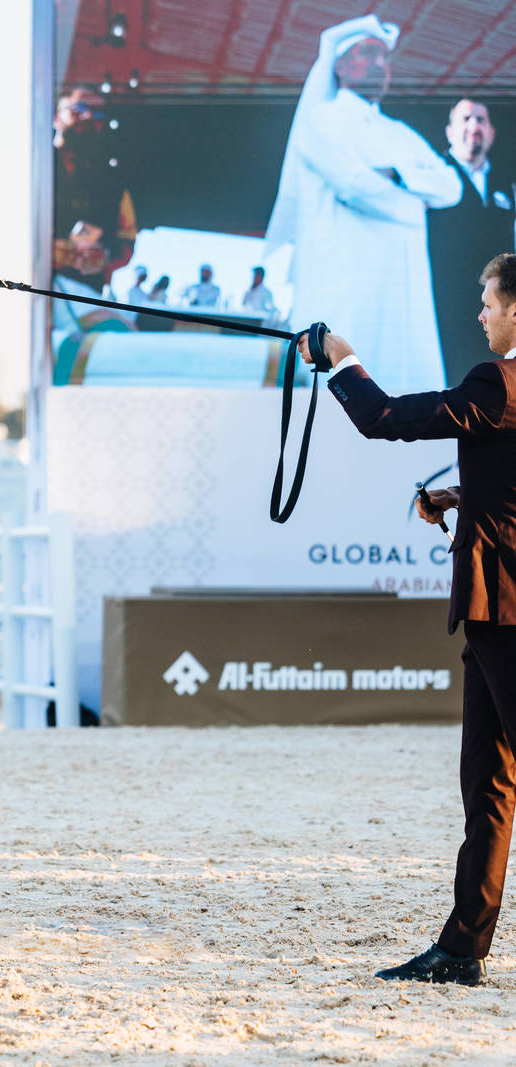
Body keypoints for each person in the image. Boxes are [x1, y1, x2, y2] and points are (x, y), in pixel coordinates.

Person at [301, 253, 516, 987]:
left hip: (508, 611)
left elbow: (385, 418)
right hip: (492, 615)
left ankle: (462, 948)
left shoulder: (499, 382)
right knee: (488, 784)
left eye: (489, 302)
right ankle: (461, 950)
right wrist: (458, 497)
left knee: (494, 784)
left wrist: (340, 354)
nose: (481, 314)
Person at [265, 14, 462, 393]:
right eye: (368, 53)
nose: (380, 64)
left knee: (407, 400)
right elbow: (353, 186)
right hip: (344, 284)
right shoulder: (320, 120)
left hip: (404, 288)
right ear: (339, 65)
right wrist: (415, 206)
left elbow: (451, 187)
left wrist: (397, 173)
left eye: (385, 58)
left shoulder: (399, 133)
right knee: (342, 400)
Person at [429, 99, 516, 387]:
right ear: (450, 132)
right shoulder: (431, 175)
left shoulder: (507, 181)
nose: (473, 126)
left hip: (497, 310)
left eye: (480, 119)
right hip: (445, 306)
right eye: (465, 119)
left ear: (491, 132)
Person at [53, 88, 137, 293]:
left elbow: (127, 243)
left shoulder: (114, 184)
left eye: (97, 113)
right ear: (56, 117)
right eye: (78, 108)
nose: (88, 117)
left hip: (82, 293)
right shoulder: (30, 168)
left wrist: (103, 259)